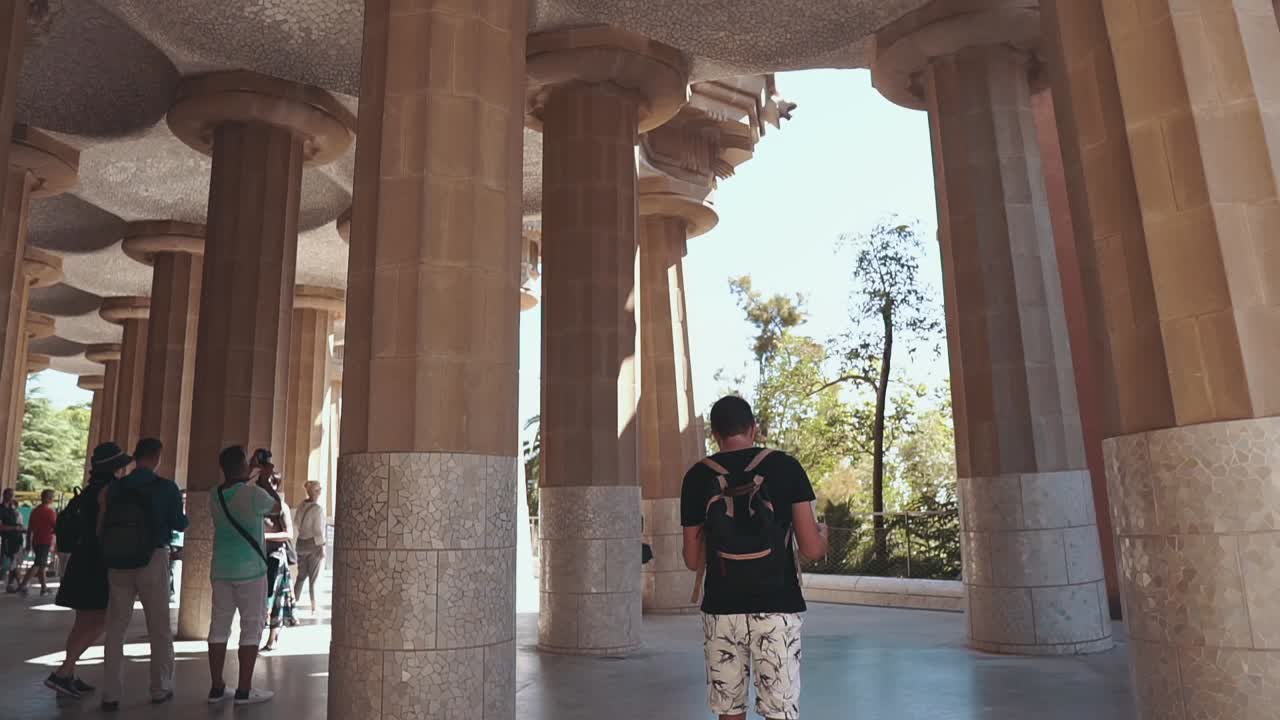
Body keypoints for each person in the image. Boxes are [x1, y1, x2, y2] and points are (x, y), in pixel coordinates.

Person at [680, 396, 828, 720]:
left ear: (714, 434)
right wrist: (824, 534)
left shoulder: (696, 477)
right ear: (753, 429)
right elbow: (812, 549)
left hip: (721, 610)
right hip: (777, 608)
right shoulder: (786, 467)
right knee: (779, 712)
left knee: (729, 711)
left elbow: (692, 560)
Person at [98, 438, 188, 711]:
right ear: (157, 457)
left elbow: (101, 525)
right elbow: (179, 524)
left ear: (136, 457)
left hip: (118, 561)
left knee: (116, 628)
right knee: (159, 626)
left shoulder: (115, 487)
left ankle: (111, 693)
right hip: (152, 557)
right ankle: (160, 687)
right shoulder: (166, 488)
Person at [45, 443, 132, 699]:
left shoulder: (88, 490)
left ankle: (68, 675)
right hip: (97, 561)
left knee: (82, 621)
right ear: (115, 467)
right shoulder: (108, 490)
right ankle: (62, 672)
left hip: (82, 559)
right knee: (102, 619)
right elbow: (100, 528)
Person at [207, 445, 280, 706]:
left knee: (218, 626)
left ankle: (216, 687)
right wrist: (264, 479)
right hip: (251, 570)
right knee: (251, 627)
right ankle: (244, 690)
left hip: (221, 569)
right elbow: (276, 508)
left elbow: (236, 492)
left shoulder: (214, 495)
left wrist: (249, 475)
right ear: (242, 466)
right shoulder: (254, 495)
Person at [261, 472, 296, 651]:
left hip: (275, 557)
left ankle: (272, 638)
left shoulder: (282, 507)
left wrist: (265, 537)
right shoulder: (257, 505)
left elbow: (289, 533)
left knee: (275, 599)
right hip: (258, 557)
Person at [292, 480, 325, 614]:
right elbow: (318, 530)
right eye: (318, 490)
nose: (320, 492)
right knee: (314, 578)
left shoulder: (301, 505)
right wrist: (322, 546)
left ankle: (293, 604)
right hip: (313, 545)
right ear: (314, 492)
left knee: (301, 576)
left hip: (301, 543)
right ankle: (314, 607)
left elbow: (296, 523)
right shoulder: (317, 509)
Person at [18, 489, 57, 596]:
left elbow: (30, 528)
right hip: (45, 541)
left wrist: (29, 543)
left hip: (36, 540)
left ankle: (44, 588)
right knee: (38, 564)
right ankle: (23, 584)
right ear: (49, 498)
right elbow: (56, 527)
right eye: (52, 497)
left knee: (41, 565)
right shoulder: (50, 512)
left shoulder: (35, 511)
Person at [1, 488, 24, 592]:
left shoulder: (12, 510)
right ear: (4, 495)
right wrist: (15, 528)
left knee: (14, 563)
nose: (11, 497)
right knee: (7, 564)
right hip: (5, 540)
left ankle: (12, 584)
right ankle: (21, 584)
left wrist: (20, 528)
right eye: (9, 495)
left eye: (13, 495)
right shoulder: (1, 509)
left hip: (16, 540)